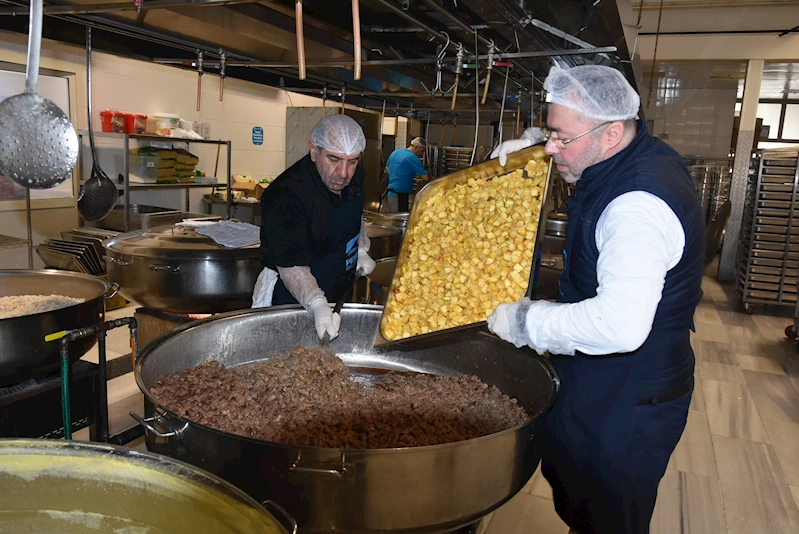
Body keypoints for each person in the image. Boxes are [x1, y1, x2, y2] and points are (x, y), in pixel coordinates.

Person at [487, 65, 705, 534]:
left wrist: (527, 323)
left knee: (609, 519)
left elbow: (620, 325)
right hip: (604, 387)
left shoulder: (636, 208)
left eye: (560, 138)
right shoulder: (627, 151)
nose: (551, 148)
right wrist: (534, 144)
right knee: (582, 505)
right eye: (550, 131)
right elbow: (569, 136)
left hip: (630, 401)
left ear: (610, 134)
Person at [251, 114, 376, 341]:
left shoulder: (354, 177)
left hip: (337, 288)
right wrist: (317, 303)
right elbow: (291, 264)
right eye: (334, 159)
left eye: (352, 161)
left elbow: (355, 214)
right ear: (313, 150)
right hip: (291, 299)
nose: (343, 173)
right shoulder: (287, 195)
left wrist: (361, 249)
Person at [381, 136, 430, 212]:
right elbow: (426, 178)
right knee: (398, 221)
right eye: (422, 151)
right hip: (399, 197)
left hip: (388, 195)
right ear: (416, 147)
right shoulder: (413, 158)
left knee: (386, 220)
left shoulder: (396, 152)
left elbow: (387, 170)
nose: (422, 154)